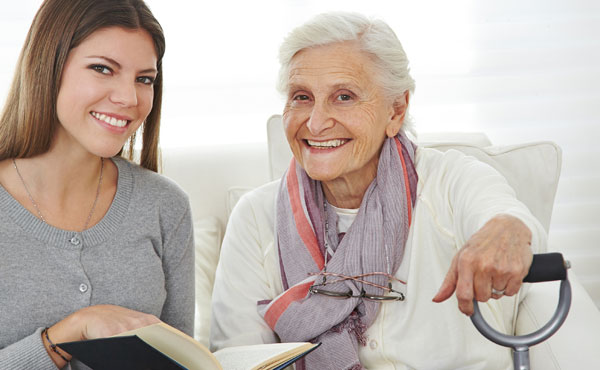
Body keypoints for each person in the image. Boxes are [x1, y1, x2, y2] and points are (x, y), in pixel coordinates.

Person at [210, 12, 546, 369]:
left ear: (396, 111)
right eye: (302, 97)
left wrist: (507, 230)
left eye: (344, 96)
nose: (317, 122)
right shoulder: (255, 216)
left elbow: (512, 222)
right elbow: (237, 358)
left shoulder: (452, 180)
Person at [0, 1, 194, 369]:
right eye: (103, 69)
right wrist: (68, 333)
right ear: (48, 66)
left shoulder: (165, 205)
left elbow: (183, 357)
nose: (129, 99)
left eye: (144, 79)